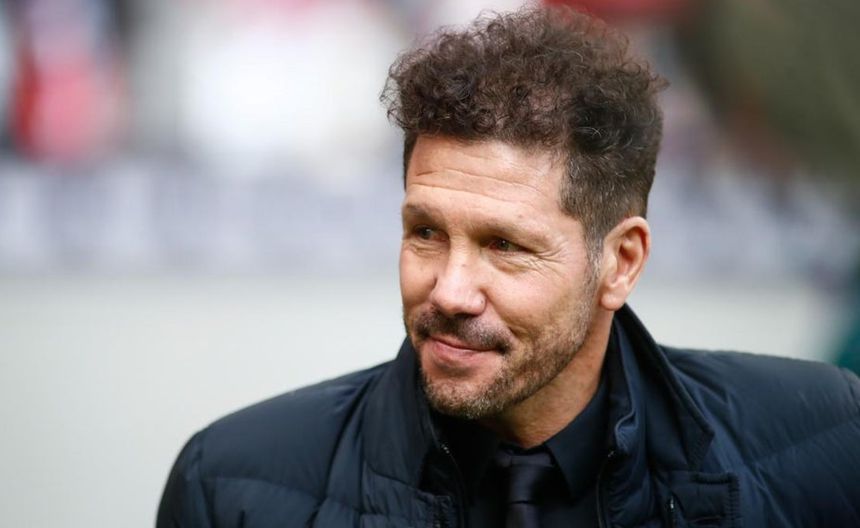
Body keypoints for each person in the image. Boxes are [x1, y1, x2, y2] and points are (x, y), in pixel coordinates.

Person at [157, 6, 860, 527]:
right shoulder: (233, 487)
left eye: (505, 246)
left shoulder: (828, 441)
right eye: (426, 233)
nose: (450, 291)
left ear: (620, 262)